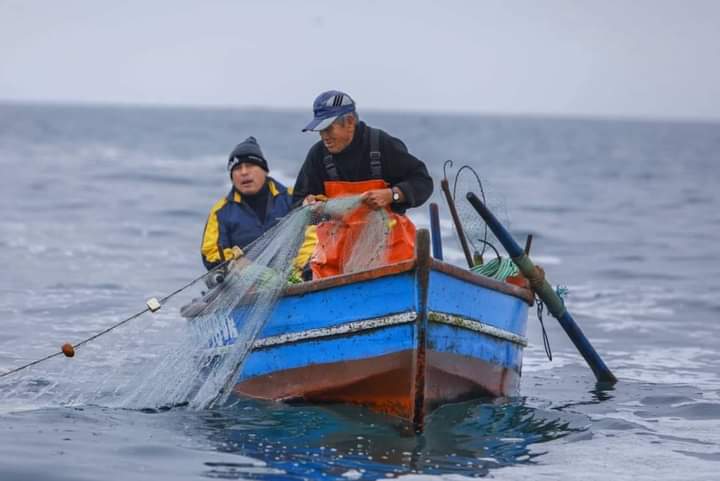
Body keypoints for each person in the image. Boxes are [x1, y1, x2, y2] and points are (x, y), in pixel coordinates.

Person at [292, 90, 433, 279]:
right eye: (320, 131)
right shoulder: (318, 155)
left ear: (350, 122)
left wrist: (392, 194)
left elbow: (422, 181)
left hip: (391, 255)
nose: (324, 137)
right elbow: (298, 202)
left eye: (329, 128)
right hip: (336, 261)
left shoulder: (381, 144)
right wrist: (308, 206)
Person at [201, 136, 293, 271]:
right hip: (242, 282)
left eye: (250, 166)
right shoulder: (220, 211)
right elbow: (210, 253)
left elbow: (312, 238)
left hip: (292, 276)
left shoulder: (293, 198)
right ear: (232, 177)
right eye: (237, 168)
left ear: (265, 170)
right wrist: (236, 261)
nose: (244, 172)